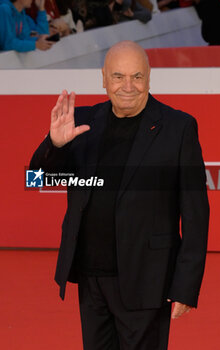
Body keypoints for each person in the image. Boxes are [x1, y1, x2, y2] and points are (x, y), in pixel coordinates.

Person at [30, 40, 209, 350]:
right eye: (118, 76)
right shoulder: (82, 122)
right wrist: (56, 146)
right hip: (90, 278)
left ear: (149, 77)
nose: (128, 86)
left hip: (147, 280)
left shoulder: (178, 128)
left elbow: (195, 213)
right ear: (103, 78)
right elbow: (37, 179)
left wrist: (186, 286)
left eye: (137, 76)